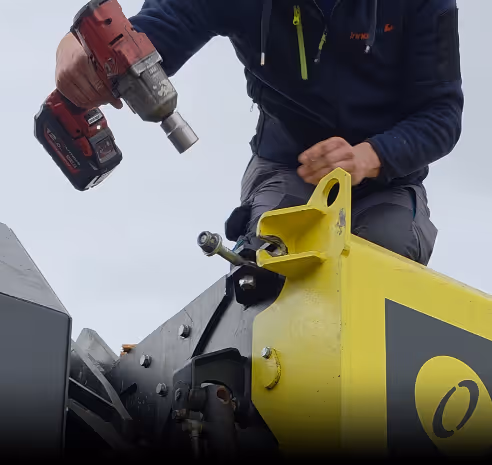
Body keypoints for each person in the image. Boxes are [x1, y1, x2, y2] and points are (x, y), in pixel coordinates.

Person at [55, 0, 463, 266]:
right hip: (286, 167)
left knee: (383, 259)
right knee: (268, 262)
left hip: (387, 182)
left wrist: (368, 157)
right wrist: (77, 48)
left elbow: (442, 113)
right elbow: (148, 36)